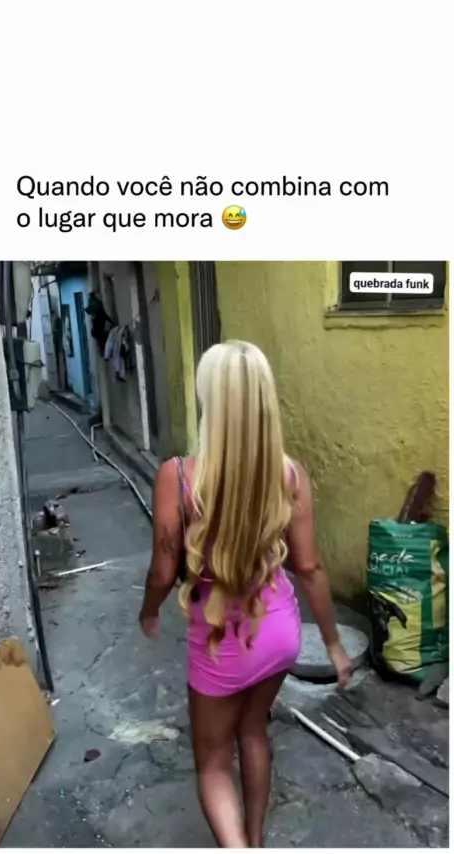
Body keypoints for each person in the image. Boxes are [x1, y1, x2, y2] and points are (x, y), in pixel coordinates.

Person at [139, 340, 352, 848]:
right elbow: (310, 568)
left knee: (213, 763)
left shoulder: (178, 477)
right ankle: (254, 840)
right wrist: (333, 645)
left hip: (221, 641)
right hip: (279, 632)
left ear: (209, 399)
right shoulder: (290, 474)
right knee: (253, 732)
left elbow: (163, 572)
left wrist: (149, 612)